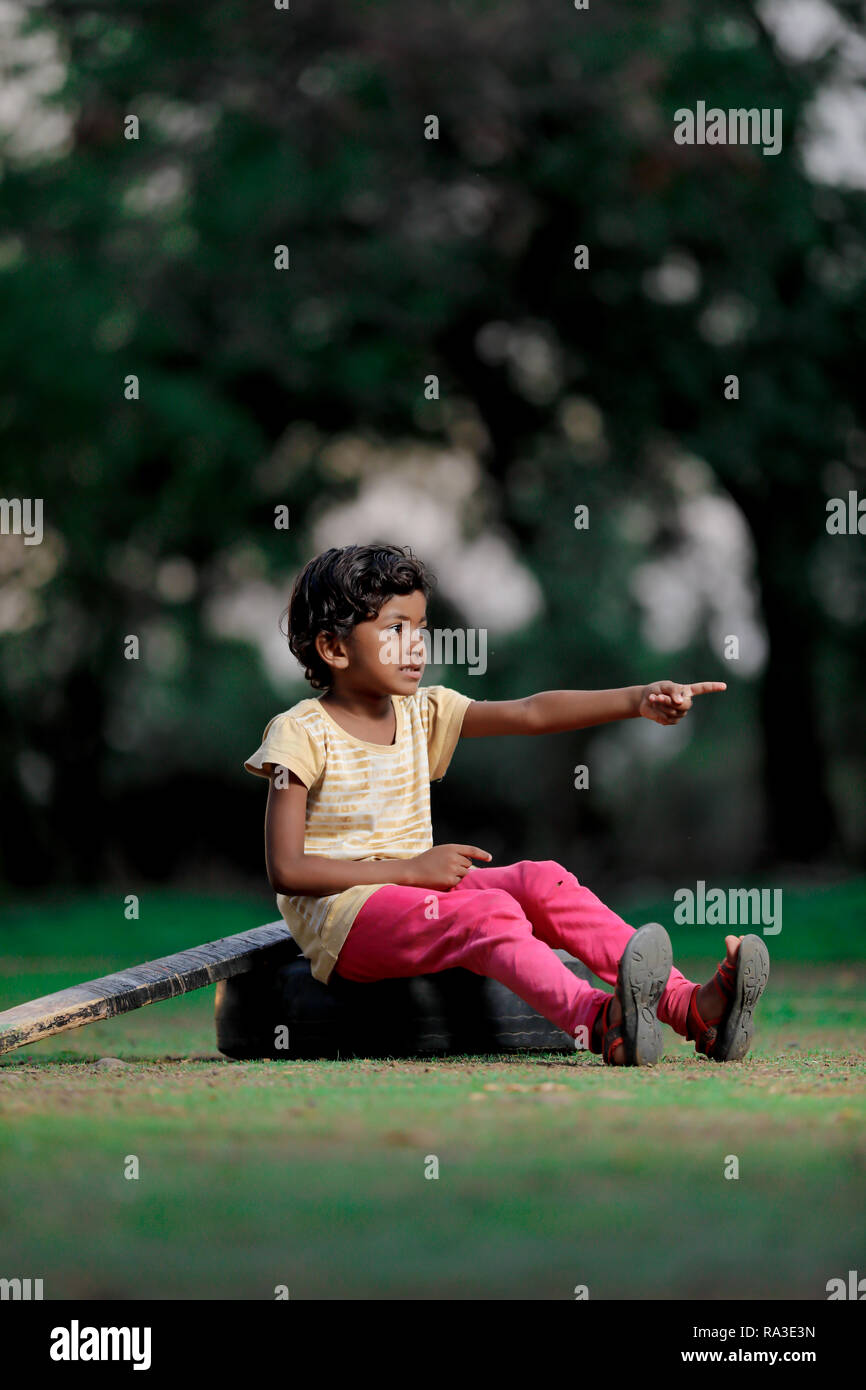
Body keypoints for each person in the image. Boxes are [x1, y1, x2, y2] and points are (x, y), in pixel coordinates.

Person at [244, 543, 769, 1066]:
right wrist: (408, 869)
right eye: (395, 629)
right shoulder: (301, 732)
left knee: (541, 878)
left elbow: (532, 712)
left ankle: (692, 1009)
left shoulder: (422, 712)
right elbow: (286, 870)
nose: (416, 646)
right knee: (486, 911)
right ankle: (600, 1021)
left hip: (415, 892)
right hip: (347, 921)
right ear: (334, 649)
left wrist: (636, 700)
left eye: (421, 629)